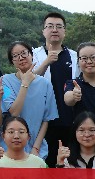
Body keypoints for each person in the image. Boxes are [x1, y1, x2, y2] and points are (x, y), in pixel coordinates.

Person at [0, 42, 58, 162]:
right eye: (15, 56)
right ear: (12, 61)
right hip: (9, 148)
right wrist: (25, 83)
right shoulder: (5, 81)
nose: (21, 58)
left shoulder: (45, 84)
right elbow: (14, 112)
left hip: (36, 148)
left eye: (24, 53)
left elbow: (46, 119)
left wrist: (36, 148)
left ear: (31, 55)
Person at [31, 12, 78, 155]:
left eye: (59, 26)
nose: (54, 30)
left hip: (70, 119)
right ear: (43, 31)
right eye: (50, 26)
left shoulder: (75, 56)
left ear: (64, 31)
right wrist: (46, 62)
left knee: (68, 161)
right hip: (42, 120)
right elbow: (27, 80)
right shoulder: (33, 54)